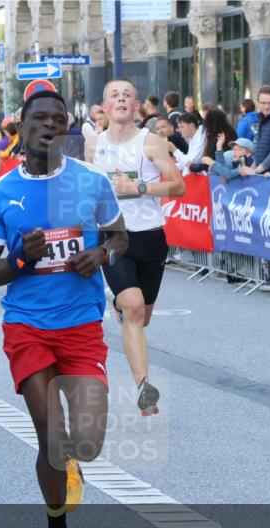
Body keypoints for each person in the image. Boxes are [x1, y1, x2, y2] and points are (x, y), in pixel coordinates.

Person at [0, 89, 128, 528]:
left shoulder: (91, 182)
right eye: (38, 118)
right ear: (19, 128)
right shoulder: (0, 193)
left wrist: (102, 256)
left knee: (86, 441)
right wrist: (22, 257)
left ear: (67, 128)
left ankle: (75, 464)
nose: (48, 125)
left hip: (82, 326)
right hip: (28, 328)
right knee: (51, 437)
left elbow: (120, 236)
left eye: (57, 119)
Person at [86, 78, 186, 415]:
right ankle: (144, 388)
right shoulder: (92, 145)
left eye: (128, 95)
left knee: (141, 317)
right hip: (113, 235)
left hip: (150, 237)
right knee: (132, 307)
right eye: (114, 94)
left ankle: (122, 304)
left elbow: (179, 186)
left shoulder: (152, 142)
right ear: (104, 106)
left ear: (137, 104)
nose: (121, 99)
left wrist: (139, 187)